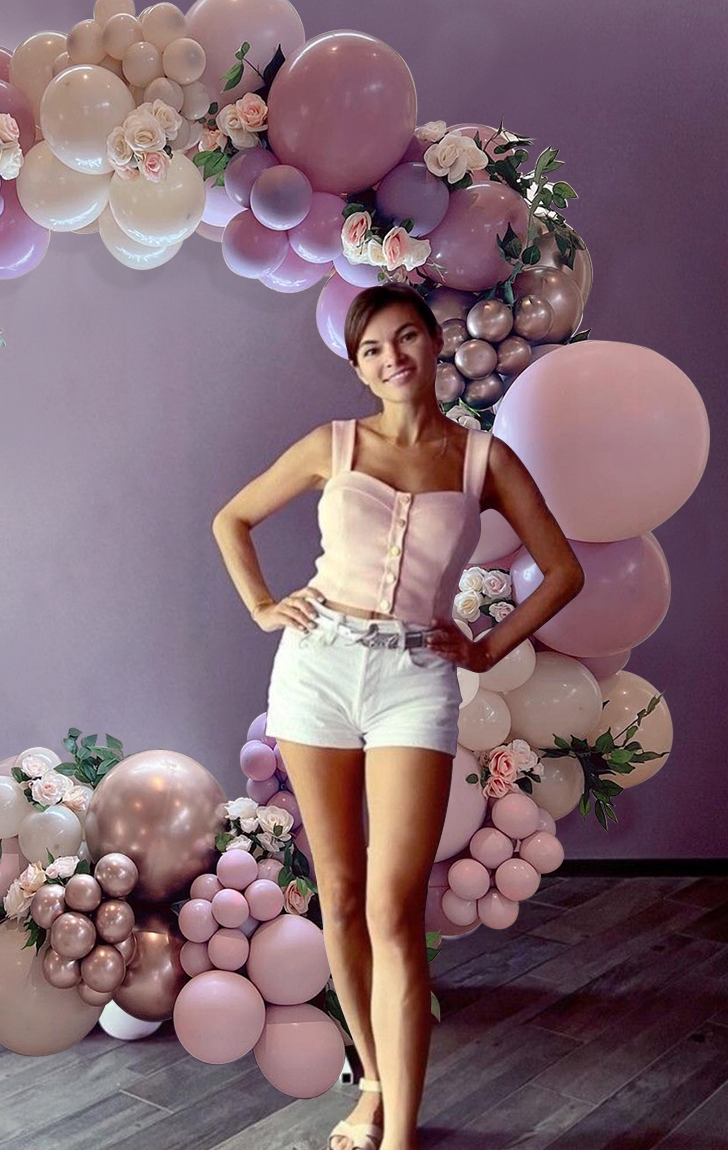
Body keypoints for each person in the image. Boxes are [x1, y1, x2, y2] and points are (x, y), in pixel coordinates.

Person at [211, 283, 584, 1150]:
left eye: (406, 337)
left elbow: (563, 570)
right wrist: (265, 605)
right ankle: (373, 1088)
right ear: (358, 366)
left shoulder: (481, 460)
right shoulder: (332, 445)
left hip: (415, 678)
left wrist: (485, 649)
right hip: (316, 670)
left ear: (433, 342)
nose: (393, 359)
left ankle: (403, 1134)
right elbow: (233, 519)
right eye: (373, 349)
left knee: (393, 907)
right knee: (340, 896)